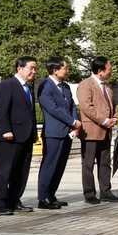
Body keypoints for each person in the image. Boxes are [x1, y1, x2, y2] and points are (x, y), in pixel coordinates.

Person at [0, 56, 39, 215]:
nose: (34, 71)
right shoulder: (7, 86)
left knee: (22, 171)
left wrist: (34, 132)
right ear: (19, 68)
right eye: (31, 68)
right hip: (11, 136)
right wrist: (6, 130)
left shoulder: (29, 87)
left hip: (26, 135)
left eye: (35, 68)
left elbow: (30, 112)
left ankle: (14, 199)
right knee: (6, 170)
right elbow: (2, 111)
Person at [36, 57, 81, 210]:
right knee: (49, 165)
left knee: (60, 166)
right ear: (55, 70)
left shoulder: (66, 87)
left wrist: (75, 123)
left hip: (67, 132)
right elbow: (53, 109)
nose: (67, 70)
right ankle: (42, 198)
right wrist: (72, 122)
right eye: (65, 68)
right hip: (53, 133)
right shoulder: (45, 87)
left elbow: (72, 106)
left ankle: (51, 195)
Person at [77, 57, 118, 204]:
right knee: (88, 164)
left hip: (106, 131)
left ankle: (106, 191)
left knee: (104, 163)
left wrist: (114, 118)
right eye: (109, 68)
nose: (111, 71)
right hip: (91, 131)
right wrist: (103, 120)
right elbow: (86, 107)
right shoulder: (85, 85)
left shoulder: (107, 87)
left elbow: (113, 107)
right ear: (100, 71)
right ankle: (89, 193)